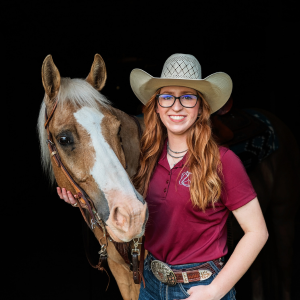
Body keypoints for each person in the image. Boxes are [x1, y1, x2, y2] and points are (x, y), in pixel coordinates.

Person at [58, 53, 268, 300]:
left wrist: (215, 291)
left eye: (187, 97)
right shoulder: (148, 159)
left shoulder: (222, 161)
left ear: (200, 107)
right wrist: (83, 200)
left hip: (200, 287)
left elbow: (257, 232)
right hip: (150, 286)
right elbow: (124, 207)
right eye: (167, 97)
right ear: (156, 106)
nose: (176, 106)